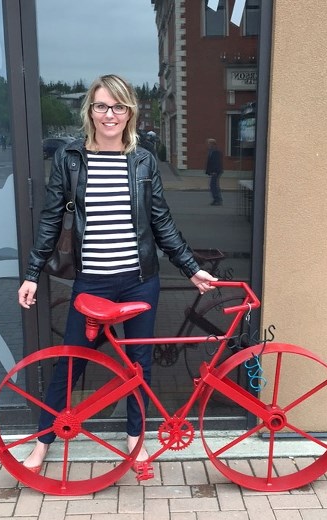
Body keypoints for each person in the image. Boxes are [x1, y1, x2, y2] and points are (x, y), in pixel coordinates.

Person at [18, 74, 217, 477]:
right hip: (91, 282)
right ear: (89, 110)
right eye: (102, 106)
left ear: (130, 112)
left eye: (119, 107)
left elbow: (160, 221)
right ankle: (43, 441)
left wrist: (191, 268)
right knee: (73, 361)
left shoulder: (142, 159)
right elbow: (51, 219)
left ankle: (134, 440)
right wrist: (32, 273)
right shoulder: (70, 158)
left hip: (139, 279)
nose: (110, 115)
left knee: (137, 365)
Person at [205, 138, 223, 206]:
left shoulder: (216, 151)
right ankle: (217, 199)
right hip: (213, 172)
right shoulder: (211, 151)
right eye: (208, 143)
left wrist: (214, 171)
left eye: (209, 143)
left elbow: (217, 162)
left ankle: (217, 200)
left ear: (213, 144)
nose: (208, 144)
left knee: (213, 186)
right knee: (214, 185)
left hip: (215, 172)